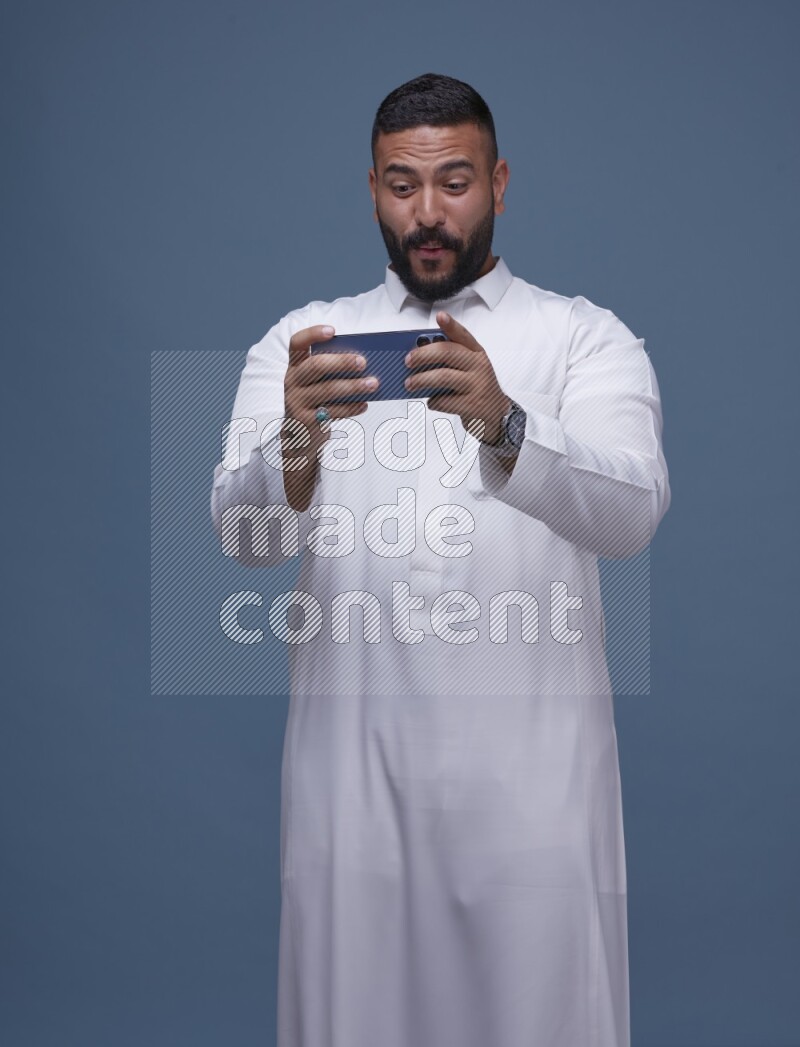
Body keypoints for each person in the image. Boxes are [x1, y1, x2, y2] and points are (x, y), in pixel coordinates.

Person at [210, 72, 670, 1047]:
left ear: (497, 183)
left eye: (453, 182)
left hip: (532, 791)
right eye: (402, 184)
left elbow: (632, 513)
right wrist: (295, 440)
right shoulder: (304, 343)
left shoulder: (581, 337)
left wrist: (506, 423)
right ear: (372, 191)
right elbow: (245, 539)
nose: (427, 212)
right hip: (352, 790)